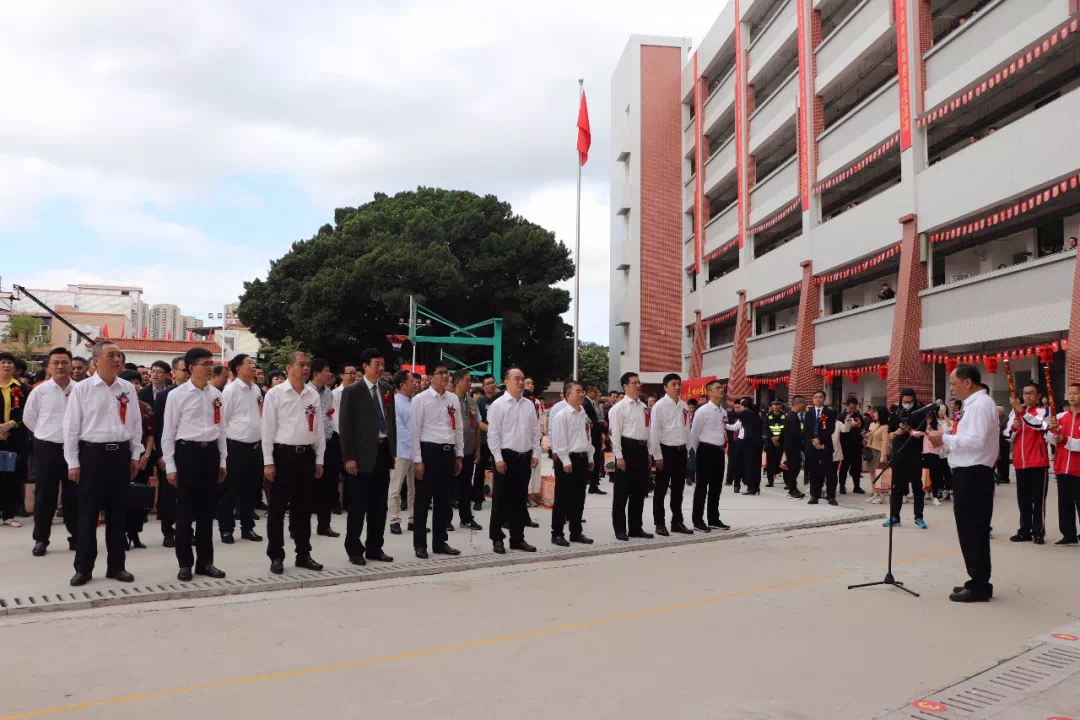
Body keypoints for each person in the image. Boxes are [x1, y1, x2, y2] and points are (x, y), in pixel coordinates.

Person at [64, 340, 143, 586]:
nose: (117, 359)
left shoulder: (127, 388)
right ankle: (83, 568)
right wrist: (73, 461)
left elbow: (135, 425)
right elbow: (71, 427)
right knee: (88, 515)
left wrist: (134, 455)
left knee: (118, 514)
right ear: (96, 360)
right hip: (92, 457)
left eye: (119, 355)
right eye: (111, 355)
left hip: (119, 456)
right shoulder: (83, 389)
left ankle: (117, 566)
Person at [927, 364, 999, 602]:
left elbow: (976, 441)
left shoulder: (980, 405)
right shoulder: (973, 405)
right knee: (969, 529)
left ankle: (979, 585)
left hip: (974, 474)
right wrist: (945, 440)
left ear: (968, 382)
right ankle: (976, 580)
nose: (951, 389)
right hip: (968, 472)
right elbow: (967, 437)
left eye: (953, 384)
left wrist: (944, 437)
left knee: (973, 529)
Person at [161, 347, 228, 581]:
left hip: (210, 454)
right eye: (205, 363)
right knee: (185, 511)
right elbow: (168, 433)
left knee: (207, 512)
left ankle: (205, 562)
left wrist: (222, 460)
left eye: (211, 363)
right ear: (191, 368)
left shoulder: (216, 395)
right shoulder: (177, 395)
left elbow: (221, 430)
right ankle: (185, 563)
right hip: (186, 454)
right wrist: (170, 465)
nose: (210, 367)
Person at [261, 351, 326, 575]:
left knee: (303, 509)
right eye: (301, 365)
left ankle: (303, 553)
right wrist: (268, 462)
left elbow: (318, 429)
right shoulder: (276, 394)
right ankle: (276, 555)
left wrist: (319, 458)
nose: (306, 368)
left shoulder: (312, 394)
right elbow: (267, 429)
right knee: (278, 509)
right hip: (282, 455)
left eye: (307, 365)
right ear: (288, 368)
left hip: (306, 456)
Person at [338, 349, 396, 565]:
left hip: (382, 452)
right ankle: (354, 549)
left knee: (379, 506)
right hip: (360, 456)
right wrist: (349, 458)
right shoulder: (353, 391)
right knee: (358, 506)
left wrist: (393, 451)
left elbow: (391, 422)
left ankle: (375, 547)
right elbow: (346, 426)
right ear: (365, 366)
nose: (380, 368)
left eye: (382, 364)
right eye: (376, 364)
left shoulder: (387, 389)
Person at [410, 361, 464, 558]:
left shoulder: (453, 399)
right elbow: (414, 431)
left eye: (446, 372)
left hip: (448, 452)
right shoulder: (421, 399)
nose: (445, 376)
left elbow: (457, 428)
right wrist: (418, 460)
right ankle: (420, 544)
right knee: (423, 501)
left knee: (444, 501)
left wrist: (459, 454)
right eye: (440, 373)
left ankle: (440, 542)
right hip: (428, 452)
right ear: (430, 377)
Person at [26, 348, 77, 555]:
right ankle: (41, 539)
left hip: (74, 449)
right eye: (55, 363)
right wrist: (46, 433)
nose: (60, 366)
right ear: (48, 367)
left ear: (71, 365)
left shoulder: (80, 389)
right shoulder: (40, 390)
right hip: (47, 448)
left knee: (74, 496)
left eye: (64, 362)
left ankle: (76, 536)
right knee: (44, 496)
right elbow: (30, 418)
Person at [486, 367, 540, 554]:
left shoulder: (529, 405)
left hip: (524, 458)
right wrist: (498, 458)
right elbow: (492, 435)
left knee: (519, 501)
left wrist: (536, 454)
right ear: (506, 382)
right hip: (505, 457)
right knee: (501, 500)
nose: (520, 382)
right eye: (516, 378)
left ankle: (517, 538)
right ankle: (497, 538)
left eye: (522, 379)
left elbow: (535, 432)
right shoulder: (498, 405)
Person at [219, 353, 263, 544]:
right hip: (235, 447)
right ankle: (226, 529)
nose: (253, 366)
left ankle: (247, 528)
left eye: (253, 363)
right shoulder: (230, 390)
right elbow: (222, 420)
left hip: (254, 447)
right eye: (248, 364)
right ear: (238, 368)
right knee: (230, 490)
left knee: (250, 490)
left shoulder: (256, 390)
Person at [609, 371, 654, 541]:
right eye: (634, 383)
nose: (638, 385)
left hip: (642, 450)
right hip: (627, 449)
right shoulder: (618, 408)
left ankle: (636, 527)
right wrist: (619, 456)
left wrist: (649, 452)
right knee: (622, 492)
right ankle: (620, 529)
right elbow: (615, 434)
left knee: (638, 491)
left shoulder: (643, 407)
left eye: (639, 382)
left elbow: (647, 431)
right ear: (625, 387)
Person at [1005, 382, 1051, 545]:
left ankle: (1038, 531)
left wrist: (1022, 411)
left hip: (1038, 461)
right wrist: (1014, 428)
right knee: (1023, 499)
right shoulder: (1015, 411)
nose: (1027, 396)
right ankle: (1024, 531)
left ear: (1039, 395)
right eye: (1025, 393)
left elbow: (1040, 425)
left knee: (1038, 500)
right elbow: (1007, 435)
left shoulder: (1044, 410)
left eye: (1031, 393)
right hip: (1020, 462)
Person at [549, 380, 594, 546]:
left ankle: (576, 532)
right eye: (578, 391)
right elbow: (559, 441)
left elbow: (586, 437)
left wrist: (590, 457)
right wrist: (566, 461)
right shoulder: (562, 415)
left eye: (582, 391)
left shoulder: (583, 412)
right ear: (568, 395)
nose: (582, 394)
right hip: (566, 459)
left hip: (581, 458)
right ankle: (557, 534)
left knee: (578, 498)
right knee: (562, 499)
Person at [648, 373, 692, 536]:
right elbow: (654, 432)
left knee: (678, 490)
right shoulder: (659, 406)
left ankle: (677, 522)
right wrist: (657, 456)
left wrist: (688, 451)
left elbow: (687, 429)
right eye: (673, 384)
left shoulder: (684, 405)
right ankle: (659, 523)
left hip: (681, 451)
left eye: (679, 384)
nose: (677, 387)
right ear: (665, 387)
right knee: (660, 490)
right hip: (665, 451)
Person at [153, 356, 188, 548]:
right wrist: (161, 455)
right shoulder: (165, 396)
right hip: (168, 451)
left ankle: (186, 530)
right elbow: (159, 427)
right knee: (168, 493)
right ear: (173, 373)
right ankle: (167, 530)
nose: (186, 374)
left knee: (187, 495)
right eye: (183, 370)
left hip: (187, 452)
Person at [689, 380, 732, 531]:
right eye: (717, 388)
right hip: (705, 450)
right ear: (709, 392)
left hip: (719, 452)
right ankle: (698, 521)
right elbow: (694, 434)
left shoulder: (723, 411)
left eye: (722, 387)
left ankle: (713, 519)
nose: (721, 390)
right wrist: (698, 451)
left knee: (716, 487)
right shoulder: (702, 411)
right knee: (702, 487)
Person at [883, 389, 928, 527]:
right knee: (896, 487)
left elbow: (921, 433)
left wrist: (908, 429)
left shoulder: (920, 413)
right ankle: (895, 516)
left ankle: (918, 517)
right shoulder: (896, 413)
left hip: (914, 454)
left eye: (909, 402)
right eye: (904, 402)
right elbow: (890, 433)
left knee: (917, 487)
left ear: (914, 400)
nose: (907, 404)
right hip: (899, 454)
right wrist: (897, 431)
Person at [120, 369, 154, 550]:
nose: (134, 386)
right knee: (122, 500)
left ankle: (135, 533)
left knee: (138, 500)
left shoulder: (145, 407)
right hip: (120, 457)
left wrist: (146, 455)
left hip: (141, 458)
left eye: (137, 382)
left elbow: (150, 434)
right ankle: (121, 535)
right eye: (130, 382)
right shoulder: (116, 404)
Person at [309, 358, 341, 539]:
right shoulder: (305, 392)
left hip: (329, 442)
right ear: (316, 373)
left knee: (328, 486)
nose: (329, 374)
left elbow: (331, 416)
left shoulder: (330, 393)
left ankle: (324, 525)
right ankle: (297, 527)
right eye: (326, 371)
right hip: (309, 444)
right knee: (306, 487)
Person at [0, 351, 31, 526]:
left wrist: (11, 424)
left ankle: (9, 515)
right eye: (3, 362)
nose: (6, 365)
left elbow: (28, 411)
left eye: (10, 363)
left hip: (14, 437)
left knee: (10, 476)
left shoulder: (21, 388)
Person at [452, 369, 483, 531]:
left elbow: (476, 426)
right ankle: (445, 520)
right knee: (449, 488)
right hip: (452, 451)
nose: (470, 383)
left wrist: (477, 449)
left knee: (465, 487)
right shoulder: (449, 400)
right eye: (467, 380)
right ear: (458, 382)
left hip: (469, 451)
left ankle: (466, 518)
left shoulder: (472, 402)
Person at [1049, 383, 1080, 545]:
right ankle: (1068, 534)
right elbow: (1048, 438)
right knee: (1065, 503)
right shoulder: (1060, 417)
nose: (1072, 396)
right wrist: (1052, 431)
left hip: (1078, 469)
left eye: (1076, 393)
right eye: (1070, 393)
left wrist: (1065, 440)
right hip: (1062, 467)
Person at [388, 370, 416, 536]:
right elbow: (399, 428)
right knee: (396, 487)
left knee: (414, 488)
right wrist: (412, 444)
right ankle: (394, 519)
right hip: (401, 450)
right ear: (403, 385)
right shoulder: (396, 402)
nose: (415, 383)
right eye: (412, 380)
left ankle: (413, 519)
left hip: (416, 451)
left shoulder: (414, 401)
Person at [804, 390, 838, 505]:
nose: (818, 399)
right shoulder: (808, 413)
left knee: (830, 472)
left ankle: (831, 496)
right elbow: (807, 430)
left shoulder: (830, 412)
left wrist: (820, 440)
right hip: (812, 446)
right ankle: (814, 496)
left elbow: (831, 429)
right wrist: (814, 441)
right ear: (813, 399)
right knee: (814, 472)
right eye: (816, 397)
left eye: (820, 397)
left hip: (825, 445)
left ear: (824, 399)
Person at [330, 363, 357, 513]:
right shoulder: (335, 394)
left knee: (352, 472)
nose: (353, 376)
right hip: (339, 436)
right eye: (349, 373)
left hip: (354, 438)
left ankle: (350, 502)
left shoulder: (358, 392)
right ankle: (335, 502)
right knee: (336, 472)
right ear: (341, 375)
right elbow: (335, 416)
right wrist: (344, 434)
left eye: (354, 373)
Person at [729, 397, 764, 495]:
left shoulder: (747, 413)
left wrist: (720, 412)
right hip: (758, 442)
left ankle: (751, 488)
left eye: (741, 406)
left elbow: (733, 414)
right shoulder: (756, 414)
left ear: (745, 406)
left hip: (750, 442)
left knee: (749, 465)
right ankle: (756, 487)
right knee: (756, 466)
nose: (739, 408)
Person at [780, 395, 807, 499]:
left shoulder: (792, 416)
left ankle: (794, 488)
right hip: (792, 447)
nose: (804, 406)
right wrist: (804, 434)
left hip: (792, 446)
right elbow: (794, 434)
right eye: (803, 403)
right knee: (793, 469)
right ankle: (792, 490)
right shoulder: (792, 417)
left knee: (794, 469)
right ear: (798, 404)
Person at [583, 384, 608, 495]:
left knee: (596, 462)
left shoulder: (590, 403)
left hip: (596, 436)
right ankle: (593, 485)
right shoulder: (586, 404)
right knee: (595, 461)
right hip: (592, 438)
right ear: (589, 391)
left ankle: (594, 485)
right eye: (596, 391)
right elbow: (592, 422)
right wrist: (606, 429)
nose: (597, 393)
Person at [837, 396, 865, 494]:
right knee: (844, 467)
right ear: (847, 406)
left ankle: (856, 486)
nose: (853, 410)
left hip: (857, 445)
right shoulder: (841, 416)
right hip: (845, 446)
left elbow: (862, 428)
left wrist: (863, 433)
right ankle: (842, 486)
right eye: (851, 407)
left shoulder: (858, 415)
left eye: (855, 408)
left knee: (857, 467)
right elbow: (839, 431)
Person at [865, 406, 890, 504]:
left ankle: (882, 495)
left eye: (876, 412)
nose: (873, 414)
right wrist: (866, 435)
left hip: (879, 452)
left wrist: (883, 456)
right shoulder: (872, 424)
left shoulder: (885, 427)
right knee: (872, 473)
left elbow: (885, 442)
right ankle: (875, 492)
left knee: (880, 474)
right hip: (870, 451)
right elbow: (870, 436)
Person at [763, 399, 785, 488]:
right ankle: (770, 481)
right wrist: (773, 438)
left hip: (781, 442)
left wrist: (779, 437)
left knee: (783, 462)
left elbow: (785, 428)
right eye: (774, 404)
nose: (776, 406)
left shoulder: (785, 416)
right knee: (770, 462)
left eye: (778, 404)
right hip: (770, 442)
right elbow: (765, 428)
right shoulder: (768, 416)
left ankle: (787, 481)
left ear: (781, 405)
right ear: (772, 406)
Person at [995, 406, 1011, 484]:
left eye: (997, 410)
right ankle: (1000, 476)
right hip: (998, 442)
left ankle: (1005, 477)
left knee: (1004, 460)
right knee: (999, 461)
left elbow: (1006, 430)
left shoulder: (1006, 418)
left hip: (1004, 442)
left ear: (1001, 411)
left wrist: (999, 431)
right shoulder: (996, 418)